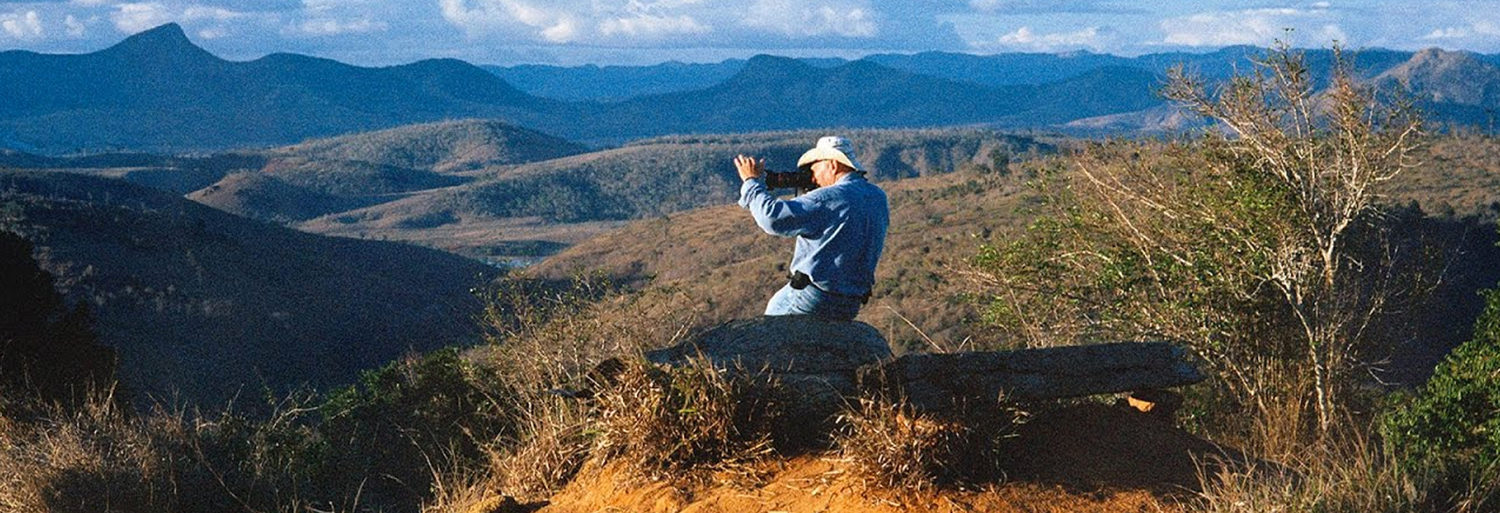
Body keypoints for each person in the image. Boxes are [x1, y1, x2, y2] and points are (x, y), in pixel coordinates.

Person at [734, 135, 889, 321]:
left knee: (768, 336)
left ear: (832, 165)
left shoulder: (828, 198)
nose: (812, 177)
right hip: (851, 302)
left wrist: (752, 183)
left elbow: (772, 219)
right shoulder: (877, 196)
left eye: (814, 168)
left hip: (814, 297)